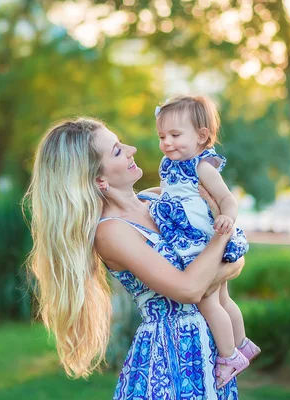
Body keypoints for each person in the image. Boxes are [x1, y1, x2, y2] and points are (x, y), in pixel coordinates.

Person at [25, 117, 245, 399]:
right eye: (117, 150)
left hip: (211, 355)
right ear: (98, 179)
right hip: (169, 363)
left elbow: (236, 259)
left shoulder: (157, 200)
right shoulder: (111, 231)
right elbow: (189, 289)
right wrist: (222, 235)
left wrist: (215, 264)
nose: (131, 150)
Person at [151, 95, 260, 388]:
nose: (167, 142)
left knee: (209, 302)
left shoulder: (202, 167)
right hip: (192, 239)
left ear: (201, 136)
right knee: (223, 299)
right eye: (162, 136)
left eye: (175, 135)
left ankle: (229, 357)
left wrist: (227, 217)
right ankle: (242, 343)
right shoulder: (168, 165)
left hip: (203, 242)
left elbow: (227, 198)